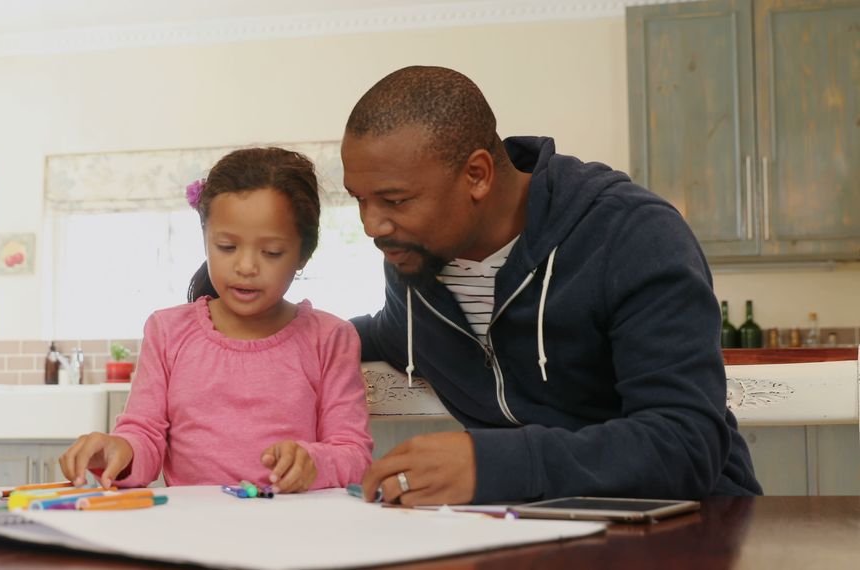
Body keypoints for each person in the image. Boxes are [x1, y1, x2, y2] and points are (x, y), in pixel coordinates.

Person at [343, 66, 761, 506]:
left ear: (477, 175)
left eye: (395, 200)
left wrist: (492, 465)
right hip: (526, 527)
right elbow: (381, 334)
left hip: (692, 524)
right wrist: (275, 331)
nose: (372, 225)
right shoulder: (416, 261)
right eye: (359, 200)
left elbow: (685, 445)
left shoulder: (630, 234)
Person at [60, 147, 373, 492]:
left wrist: (315, 462)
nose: (246, 267)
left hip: (290, 532)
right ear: (205, 240)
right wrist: (120, 450)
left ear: (304, 254)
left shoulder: (330, 338)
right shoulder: (167, 332)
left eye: (271, 252)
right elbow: (144, 434)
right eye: (226, 246)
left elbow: (353, 454)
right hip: (191, 532)